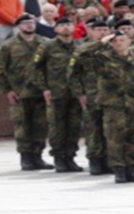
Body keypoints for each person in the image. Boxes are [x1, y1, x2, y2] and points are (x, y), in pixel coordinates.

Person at [0, 14, 52, 170]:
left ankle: (37, 156)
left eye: (31, 23)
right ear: (19, 26)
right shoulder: (9, 46)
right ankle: (26, 158)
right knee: (22, 126)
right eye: (25, 23)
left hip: (41, 92)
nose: (29, 26)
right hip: (20, 93)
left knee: (41, 126)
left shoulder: (44, 43)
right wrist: (7, 90)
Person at [35, 17, 84, 172]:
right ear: (56, 29)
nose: (66, 28)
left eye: (69, 24)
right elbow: (36, 69)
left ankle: (70, 157)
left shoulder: (79, 46)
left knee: (74, 126)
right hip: (56, 93)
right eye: (62, 25)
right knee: (57, 126)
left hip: (75, 93)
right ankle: (59, 158)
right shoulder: (47, 46)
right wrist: (44, 88)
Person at [69, 18, 112, 174]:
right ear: (91, 31)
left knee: (110, 129)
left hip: (112, 96)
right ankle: (95, 160)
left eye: (105, 30)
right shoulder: (83, 48)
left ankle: (109, 160)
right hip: (92, 95)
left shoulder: (115, 47)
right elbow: (73, 74)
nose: (102, 33)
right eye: (99, 30)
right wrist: (80, 94)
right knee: (93, 129)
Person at [94, 31, 134, 183]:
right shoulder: (103, 59)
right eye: (115, 41)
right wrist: (101, 42)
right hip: (114, 105)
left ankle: (131, 167)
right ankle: (119, 169)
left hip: (132, 103)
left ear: (129, 41)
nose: (119, 43)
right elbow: (83, 57)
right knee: (115, 138)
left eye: (122, 40)